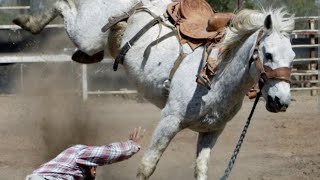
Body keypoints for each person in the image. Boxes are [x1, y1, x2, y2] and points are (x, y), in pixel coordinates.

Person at [25, 127, 146, 180]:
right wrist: (132, 145)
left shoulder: (67, 170)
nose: (94, 175)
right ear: (91, 165)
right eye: (95, 170)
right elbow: (109, 153)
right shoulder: (80, 152)